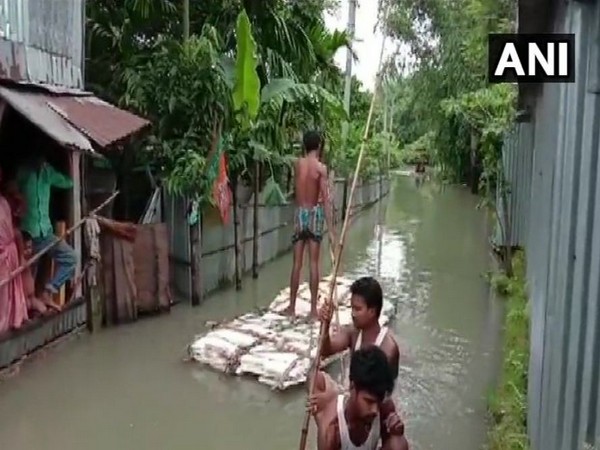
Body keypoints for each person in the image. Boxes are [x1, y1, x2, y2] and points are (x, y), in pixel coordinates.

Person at [311, 277, 403, 425]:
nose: (353, 314)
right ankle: (330, 427)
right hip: (352, 398)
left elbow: (381, 397)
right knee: (314, 377)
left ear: (372, 311)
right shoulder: (353, 333)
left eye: (357, 309)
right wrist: (325, 325)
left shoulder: (388, 349)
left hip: (371, 407)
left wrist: (332, 401)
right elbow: (325, 351)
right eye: (351, 308)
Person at [310, 346, 409, 450]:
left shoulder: (385, 407)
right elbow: (312, 376)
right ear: (352, 387)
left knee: (399, 444)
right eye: (369, 401)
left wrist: (396, 432)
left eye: (379, 402)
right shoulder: (332, 431)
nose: (375, 410)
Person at [16, 152, 76, 312]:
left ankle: (48, 292)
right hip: (28, 235)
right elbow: (12, 189)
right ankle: (25, 309)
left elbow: (68, 183)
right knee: (28, 274)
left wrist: (71, 161)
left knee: (70, 258)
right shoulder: (23, 172)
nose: (41, 162)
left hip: (46, 233)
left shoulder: (48, 173)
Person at [285, 130, 335, 319]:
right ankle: (313, 310)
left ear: (304, 146)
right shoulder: (320, 168)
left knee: (296, 263)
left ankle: (291, 307)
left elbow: (295, 189)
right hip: (314, 213)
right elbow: (326, 199)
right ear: (319, 146)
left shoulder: (297, 164)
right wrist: (331, 230)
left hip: (300, 214)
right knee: (313, 263)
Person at [0, 169, 29, 333]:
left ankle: (9, 324)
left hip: (7, 254)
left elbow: (15, 231)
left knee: (8, 292)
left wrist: (21, 256)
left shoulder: (4, 202)